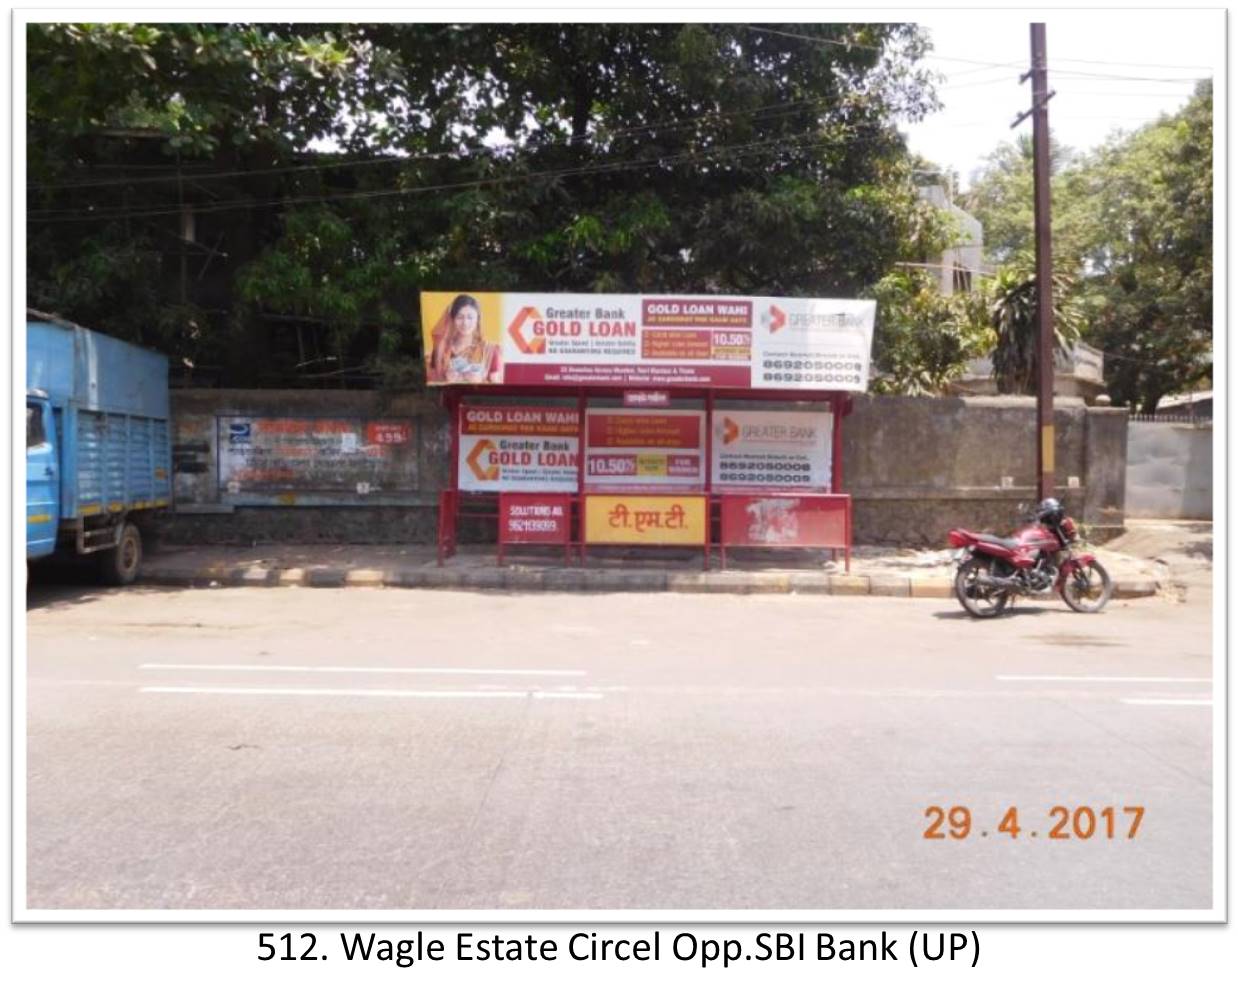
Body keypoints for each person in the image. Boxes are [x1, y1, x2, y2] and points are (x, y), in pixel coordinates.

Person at [428, 294, 502, 383]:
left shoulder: (490, 350)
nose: (465, 323)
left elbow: (498, 386)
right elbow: (432, 384)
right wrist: (446, 380)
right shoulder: (441, 350)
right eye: (460, 317)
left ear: (478, 319)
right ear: (452, 319)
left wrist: (480, 380)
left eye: (470, 317)